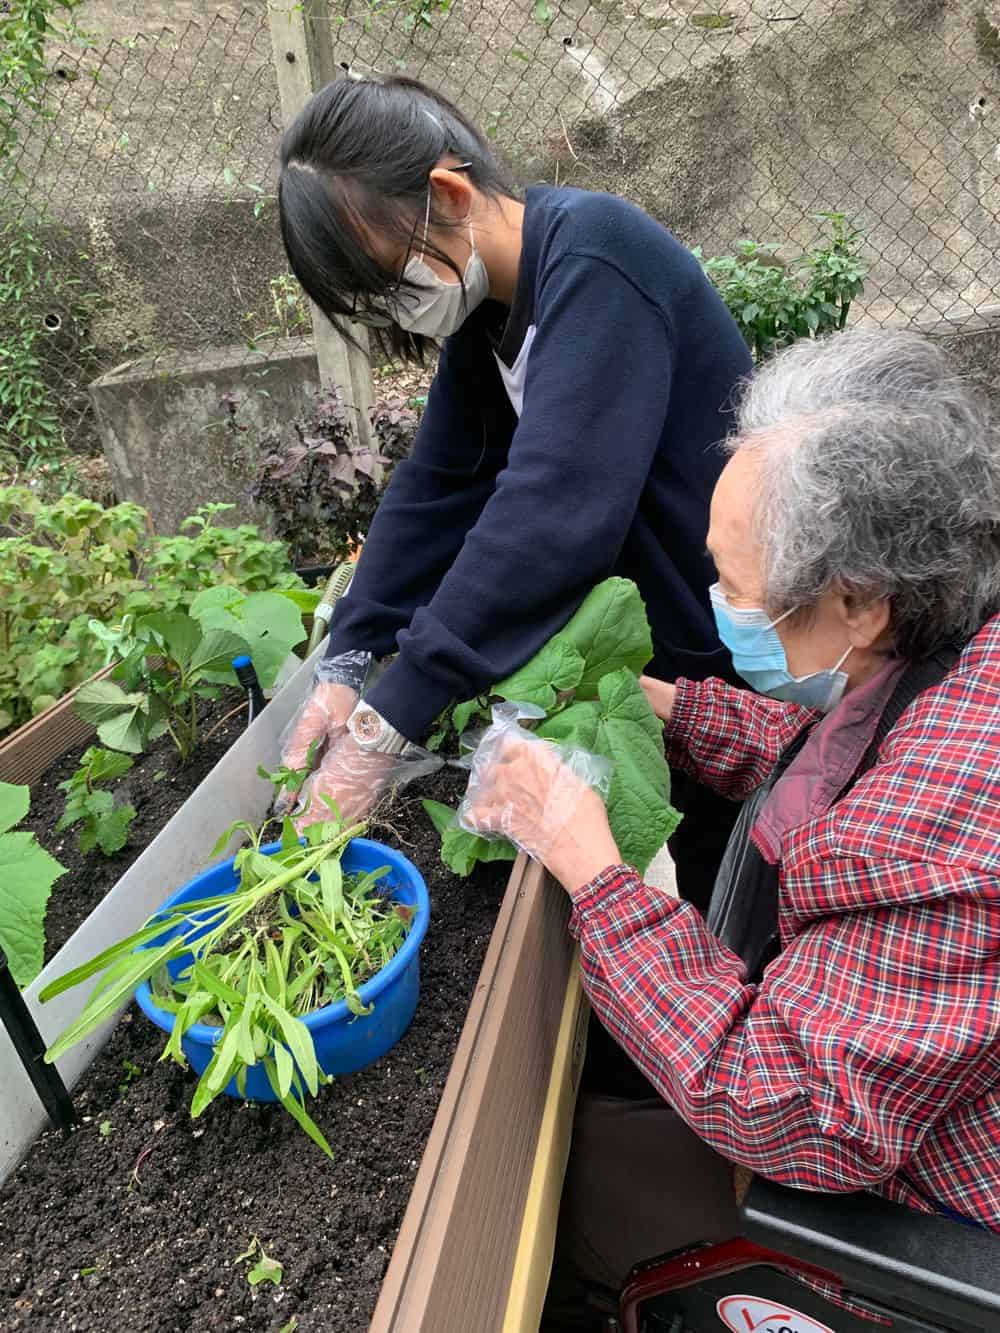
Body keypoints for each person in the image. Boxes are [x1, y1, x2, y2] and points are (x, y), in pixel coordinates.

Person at [459, 329, 1000, 1322]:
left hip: (932, 1202)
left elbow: (780, 1102)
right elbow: (832, 746)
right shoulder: (950, 648)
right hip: (909, 1073)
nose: (718, 608)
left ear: (855, 601)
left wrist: (591, 870)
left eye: (737, 590)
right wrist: (661, 705)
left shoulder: (931, 839)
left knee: (583, 1161)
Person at [275, 74, 753, 910]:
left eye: (389, 281)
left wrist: (386, 724)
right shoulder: (489, 313)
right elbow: (437, 487)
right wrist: (349, 656)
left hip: (737, 649)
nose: (395, 312)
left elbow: (555, 513)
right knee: (708, 870)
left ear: (449, 195)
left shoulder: (599, 260)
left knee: (743, 883)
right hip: (662, 657)